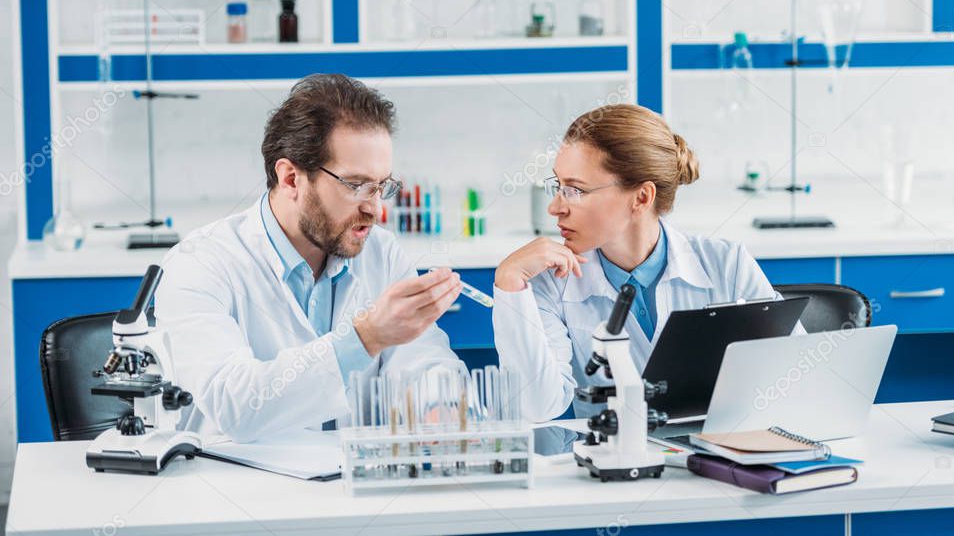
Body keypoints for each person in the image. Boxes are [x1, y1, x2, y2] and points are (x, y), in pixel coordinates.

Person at [156, 74, 463, 442]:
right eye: (356, 185)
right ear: (290, 179)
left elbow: (424, 361)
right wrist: (363, 338)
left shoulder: (380, 252)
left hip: (347, 488)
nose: (376, 209)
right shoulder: (200, 263)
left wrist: (438, 406)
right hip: (239, 488)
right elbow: (234, 405)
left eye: (382, 186)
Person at [492, 104, 788, 422]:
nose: (555, 207)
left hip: (713, 461)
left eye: (575, 190)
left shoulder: (726, 265)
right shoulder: (551, 281)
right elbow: (537, 405)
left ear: (642, 197)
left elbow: (790, 378)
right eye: (559, 186)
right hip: (608, 462)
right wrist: (509, 282)